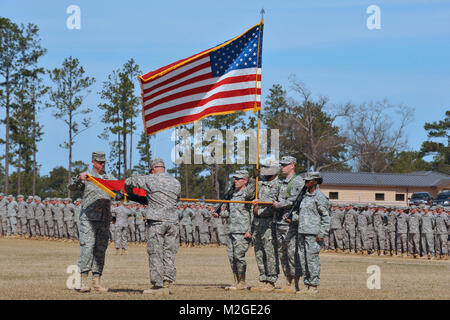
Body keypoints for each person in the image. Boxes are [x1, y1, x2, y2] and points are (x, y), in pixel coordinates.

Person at [124, 158, 181, 295]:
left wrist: (130, 194)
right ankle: (167, 282)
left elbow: (129, 181)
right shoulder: (176, 182)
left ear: (153, 169)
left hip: (157, 221)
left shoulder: (150, 179)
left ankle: (157, 285)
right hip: (173, 222)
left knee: (155, 252)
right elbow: (176, 200)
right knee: (169, 253)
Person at [68, 151, 115, 293]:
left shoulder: (109, 177)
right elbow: (71, 187)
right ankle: (83, 281)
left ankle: (97, 282)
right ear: (93, 162)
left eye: (104, 162)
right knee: (87, 248)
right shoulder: (86, 177)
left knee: (101, 250)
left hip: (104, 219)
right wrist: (78, 179)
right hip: (88, 219)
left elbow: (118, 189)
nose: (102, 164)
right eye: (100, 162)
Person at [214, 169, 256, 291]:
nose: (235, 181)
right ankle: (236, 281)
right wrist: (220, 214)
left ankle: (242, 282)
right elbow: (230, 213)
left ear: (245, 181)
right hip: (231, 229)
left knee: (239, 256)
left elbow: (251, 214)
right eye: (235, 178)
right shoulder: (233, 195)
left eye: (238, 179)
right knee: (231, 257)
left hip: (242, 231)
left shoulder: (247, 195)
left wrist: (250, 230)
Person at [272, 156, 304, 293]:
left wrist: (279, 204)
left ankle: (295, 282)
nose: (282, 167)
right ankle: (287, 281)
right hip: (278, 222)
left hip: (290, 223)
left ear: (293, 166)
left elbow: (295, 200)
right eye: (281, 165)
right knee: (282, 253)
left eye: (285, 165)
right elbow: (271, 196)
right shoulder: (280, 182)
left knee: (292, 253)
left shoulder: (298, 181)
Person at [296, 172, 330, 295]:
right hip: (302, 232)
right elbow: (302, 214)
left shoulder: (319, 197)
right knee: (303, 259)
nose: (305, 183)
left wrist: (322, 233)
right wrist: (292, 218)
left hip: (313, 234)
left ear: (315, 182)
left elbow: (326, 217)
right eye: (305, 181)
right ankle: (307, 284)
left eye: (308, 181)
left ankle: (314, 285)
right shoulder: (304, 197)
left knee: (312, 259)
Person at [250, 161, 279, 292]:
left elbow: (271, 203)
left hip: (269, 223)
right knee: (259, 252)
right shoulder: (260, 183)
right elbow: (248, 193)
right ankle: (263, 278)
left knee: (270, 252)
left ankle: (271, 280)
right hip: (257, 223)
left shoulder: (277, 185)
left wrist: (259, 210)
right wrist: (253, 178)